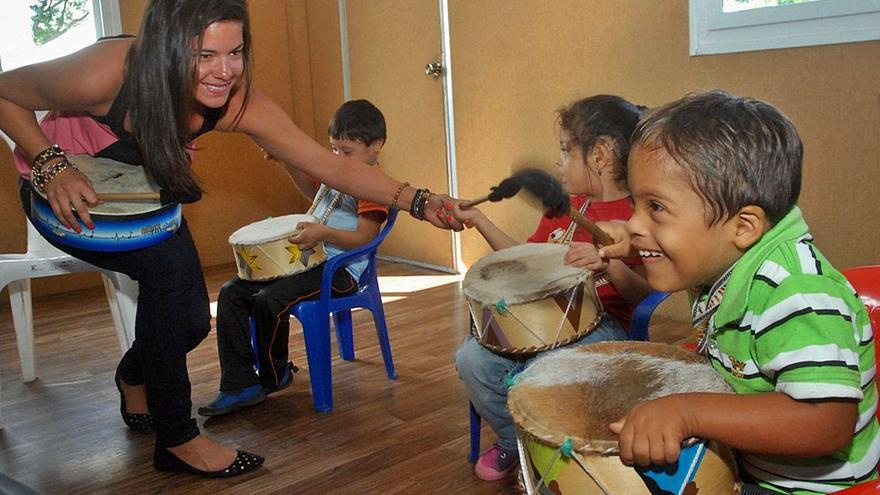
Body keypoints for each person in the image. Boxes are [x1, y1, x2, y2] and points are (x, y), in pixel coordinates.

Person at [0, 0, 459, 478]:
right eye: (205, 55)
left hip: (148, 200)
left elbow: (330, 166)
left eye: (235, 52)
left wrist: (418, 200)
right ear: (168, 46)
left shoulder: (238, 100)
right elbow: (4, 92)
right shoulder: (106, 73)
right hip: (64, 194)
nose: (224, 71)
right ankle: (177, 440)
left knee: (193, 322)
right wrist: (51, 163)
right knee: (169, 288)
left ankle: (133, 375)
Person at [600, 91, 878, 494]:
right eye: (635, 205)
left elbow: (826, 422)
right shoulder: (725, 254)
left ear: (744, 227)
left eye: (655, 207)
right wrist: (633, 245)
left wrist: (689, 412)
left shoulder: (796, 294)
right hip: (754, 464)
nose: (634, 222)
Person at [451, 95, 653, 481]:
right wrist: (479, 219)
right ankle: (514, 438)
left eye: (565, 150)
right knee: (472, 359)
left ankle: (551, 442)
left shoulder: (637, 214)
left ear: (602, 155)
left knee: (539, 369)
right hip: (541, 320)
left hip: (603, 327)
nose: (558, 162)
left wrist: (609, 262)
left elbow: (645, 296)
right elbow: (524, 257)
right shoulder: (566, 206)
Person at [198, 99, 390, 416]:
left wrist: (323, 234)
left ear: (376, 146)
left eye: (347, 151)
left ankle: (275, 376)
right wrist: (287, 163)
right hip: (310, 259)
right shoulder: (338, 171)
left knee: (270, 299)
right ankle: (239, 382)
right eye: (334, 149)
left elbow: (365, 239)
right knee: (233, 293)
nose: (338, 158)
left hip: (340, 273)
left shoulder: (375, 186)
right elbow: (311, 193)